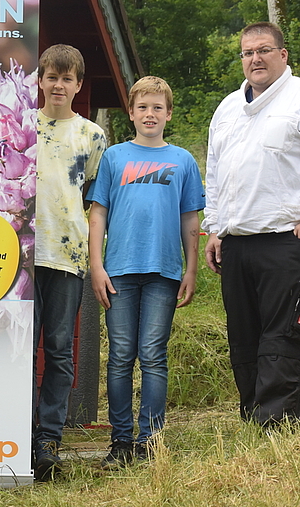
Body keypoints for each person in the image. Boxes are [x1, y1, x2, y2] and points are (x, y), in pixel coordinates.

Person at [202, 22, 300, 427]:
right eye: (247, 52)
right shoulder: (227, 109)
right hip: (238, 244)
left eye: (264, 50)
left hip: (290, 241)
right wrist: (216, 228)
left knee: (285, 336)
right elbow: (215, 174)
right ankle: (254, 419)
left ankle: (278, 424)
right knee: (245, 338)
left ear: (283, 55)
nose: (255, 58)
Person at [87, 76, 203, 466]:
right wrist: (96, 264)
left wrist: (191, 269)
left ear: (168, 113)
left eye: (157, 107)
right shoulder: (115, 157)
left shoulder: (183, 161)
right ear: (131, 113)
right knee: (120, 355)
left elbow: (191, 217)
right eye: (143, 107)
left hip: (165, 272)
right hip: (118, 270)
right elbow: (98, 212)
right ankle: (120, 443)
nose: (150, 113)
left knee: (153, 354)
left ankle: (150, 441)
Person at [32, 44, 107, 481]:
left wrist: (96, 260)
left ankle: (50, 440)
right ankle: (16, 432)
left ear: (79, 85)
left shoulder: (92, 135)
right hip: (18, 256)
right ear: (40, 80)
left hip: (67, 254)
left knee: (59, 350)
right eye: (51, 77)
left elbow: (93, 202)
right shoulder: (20, 126)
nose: (58, 85)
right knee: (21, 349)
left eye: (67, 79)